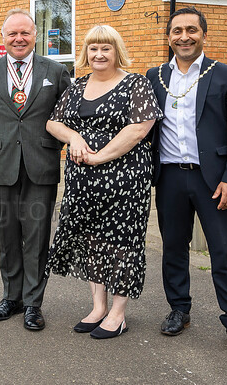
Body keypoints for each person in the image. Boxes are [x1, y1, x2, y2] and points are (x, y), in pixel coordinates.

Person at [146, 7, 227, 356]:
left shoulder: (226, 75)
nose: (184, 37)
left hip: (214, 180)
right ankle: (180, 310)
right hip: (170, 178)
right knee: (173, 248)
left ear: (203, 34)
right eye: (177, 31)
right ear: (169, 38)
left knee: (224, 252)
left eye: (191, 30)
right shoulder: (154, 76)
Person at [45, 25, 163, 339]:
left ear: (116, 51)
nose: (99, 54)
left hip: (124, 180)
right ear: (86, 52)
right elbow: (53, 122)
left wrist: (97, 157)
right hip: (82, 182)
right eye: (94, 48)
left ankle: (118, 313)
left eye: (106, 48)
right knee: (93, 241)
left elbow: (139, 129)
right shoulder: (77, 85)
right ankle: (98, 306)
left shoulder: (136, 83)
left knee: (122, 244)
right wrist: (74, 136)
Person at [0, 9, 70, 331]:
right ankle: (10, 297)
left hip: (41, 166)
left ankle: (33, 303)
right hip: (1, 166)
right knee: (8, 236)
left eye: (25, 33)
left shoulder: (55, 72)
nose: (19, 39)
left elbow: (66, 118)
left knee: (38, 236)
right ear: (2, 38)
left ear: (35, 35)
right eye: (12, 34)